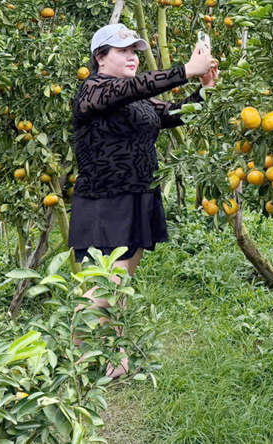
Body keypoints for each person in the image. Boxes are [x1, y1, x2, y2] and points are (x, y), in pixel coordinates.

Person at [69, 22, 218, 376]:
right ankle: (72, 357)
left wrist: (205, 90)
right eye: (123, 51)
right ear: (101, 58)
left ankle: (116, 355)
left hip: (138, 195)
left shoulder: (138, 99)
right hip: (106, 199)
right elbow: (137, 86)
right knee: (106, 285)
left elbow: (174, 113)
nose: (132, 57)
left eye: (135, 51)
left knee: (122, 284)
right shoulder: (92, 89)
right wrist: (184, 71)